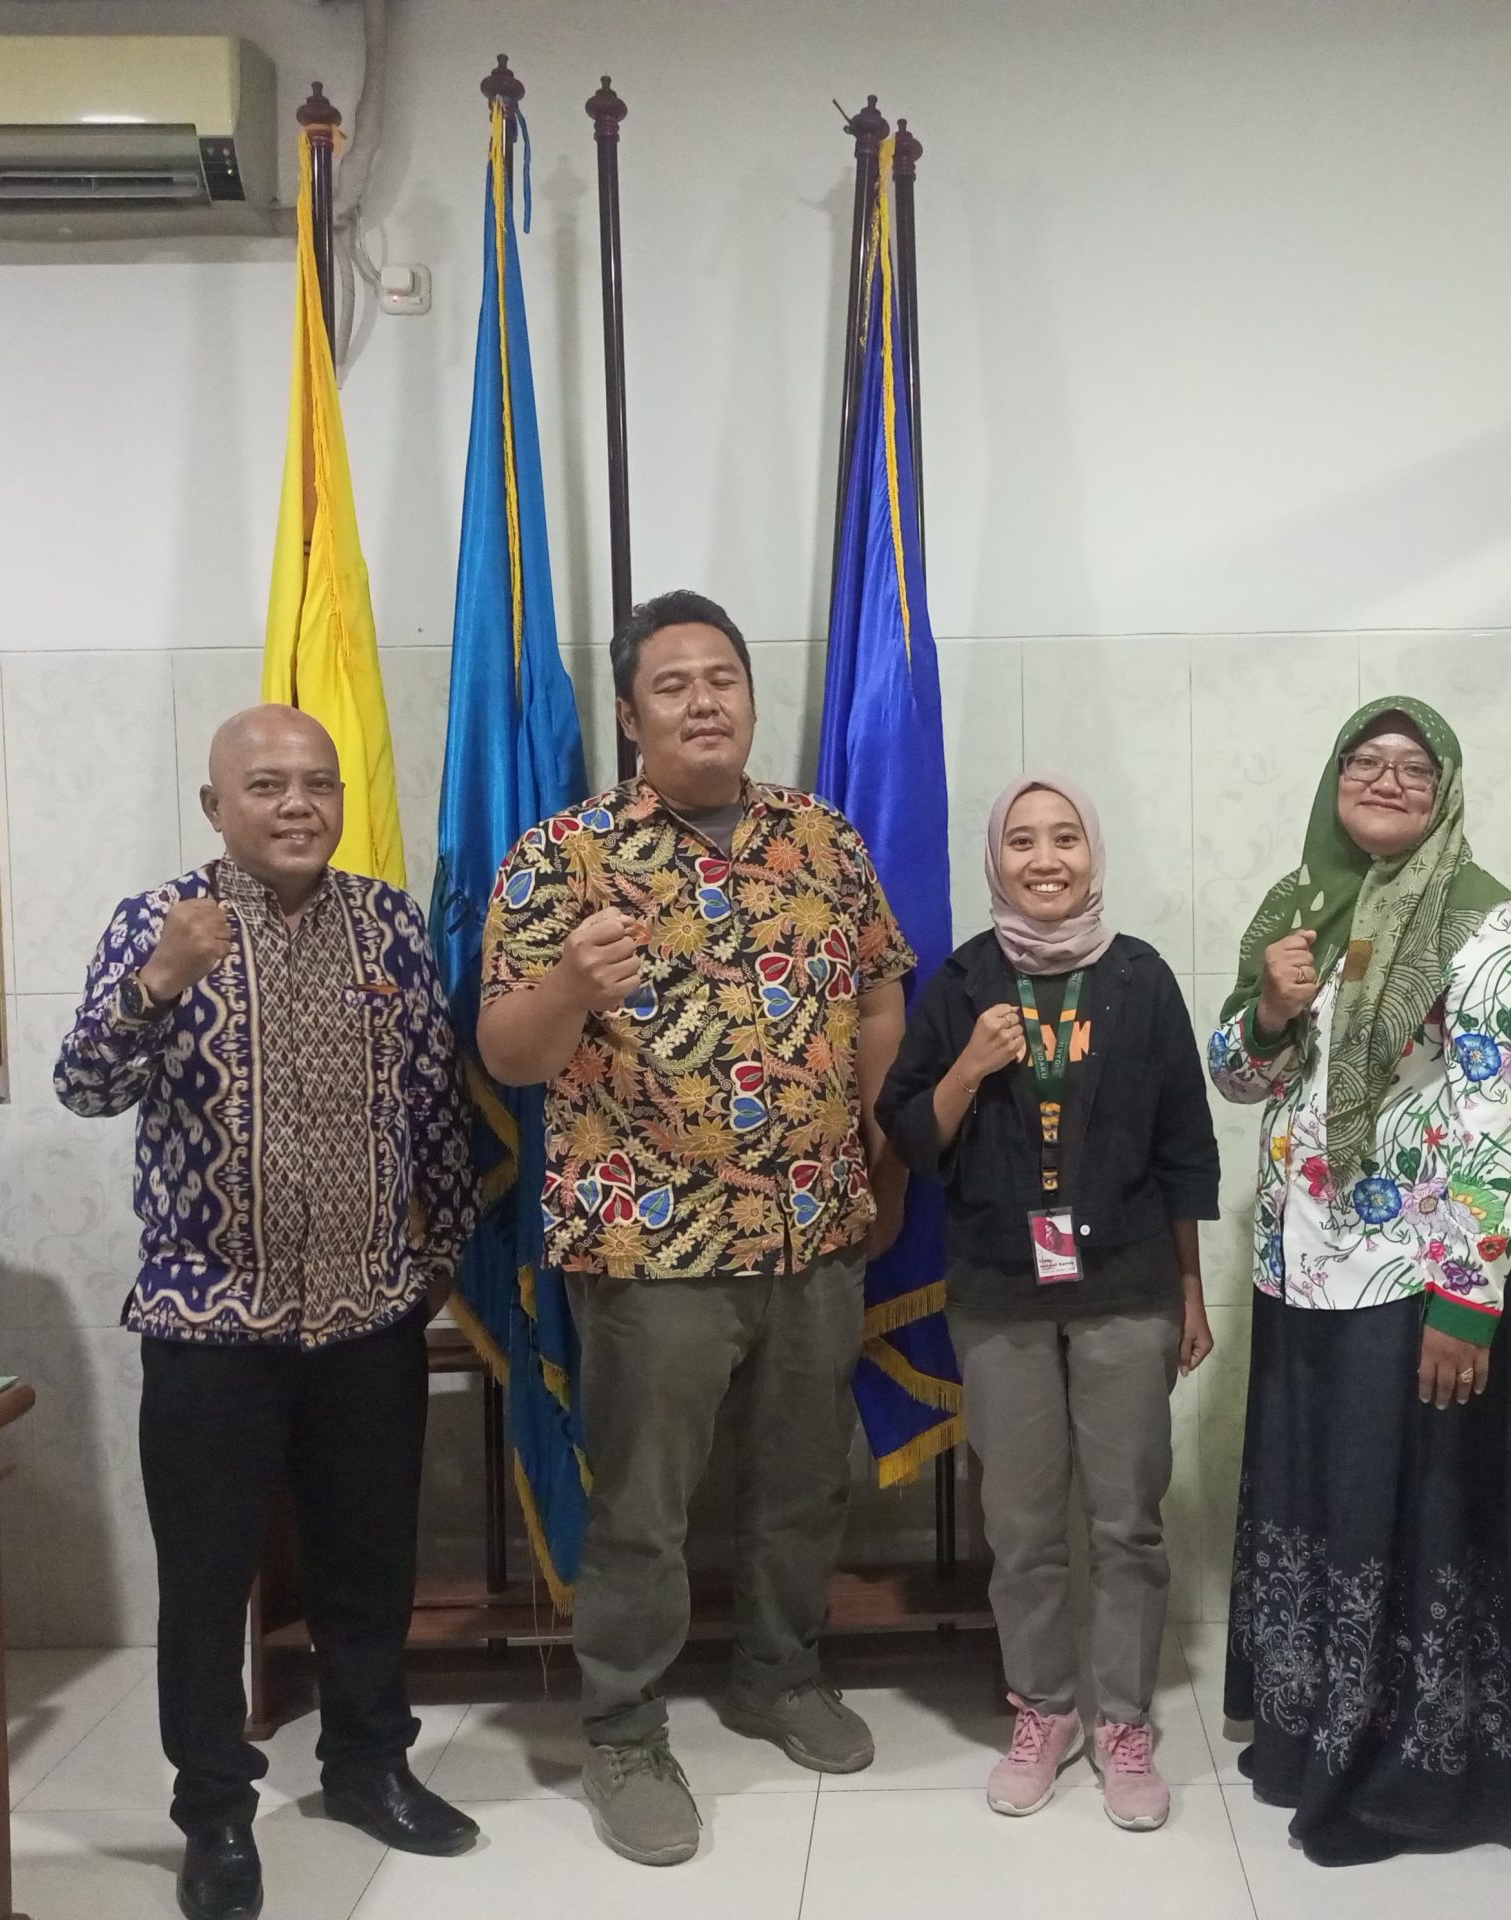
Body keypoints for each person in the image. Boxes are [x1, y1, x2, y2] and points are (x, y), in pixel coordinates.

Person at [478, 588, 914, 1866]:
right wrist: (570, 985)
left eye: (721, 677)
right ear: (630, 716)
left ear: (751, 700)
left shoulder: (821, 839)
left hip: (814, 1232)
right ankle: (621, 1730)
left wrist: (882, 1149)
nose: (702, 701)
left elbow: (880, 994)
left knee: (803, 1480)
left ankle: (780, 1674)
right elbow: (506, 1052)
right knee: (644, 1508)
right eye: (671, 685)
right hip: (650, 1246)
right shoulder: (563, 856)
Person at [55, 705, 481, 1920]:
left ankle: (368, 1767)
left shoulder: (386, 923)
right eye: (267, 785)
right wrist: (156, 985)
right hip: (209, 1324)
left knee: (368, 1564)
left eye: (318, 784)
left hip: (368, 1315)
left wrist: (440, 1248)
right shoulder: (159, 921)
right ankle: (215, 1815)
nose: (298, 805)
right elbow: (84, 1085)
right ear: (216, 806)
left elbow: (434, 1100)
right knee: (206, 1585)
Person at [1206, 696, 1511, 1865]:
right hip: (1298, 1271)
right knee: (1320, 1503)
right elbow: (1237, 1076)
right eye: (1367, 760)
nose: (1390, 780)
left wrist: (1468, 1300)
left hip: (1413, 1278)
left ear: (1446, 791)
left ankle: (1408, 1764)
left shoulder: (1479, 921)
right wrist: (1271, 1007)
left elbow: (1496, 1114)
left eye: (1418, 767)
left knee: (1404, 1513)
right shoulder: (1299, 906)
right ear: (1334, 778)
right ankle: (1309, 1730)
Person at [878, 776, 1221, 1831]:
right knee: (1021, 1527)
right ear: (997, 860)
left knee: (1126, 1522)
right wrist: (969, 1067)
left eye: (1064, 838)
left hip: (1128, 1285)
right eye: (1022, 841)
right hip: (999, 1291)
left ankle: (1124, 1723)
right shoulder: (963, 981)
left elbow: (1185, 1144)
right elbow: (907, 1132)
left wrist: (1190, 1288)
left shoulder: (1140, 978)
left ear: (1091, 852)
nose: (1044, 859)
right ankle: (1044, 1710)